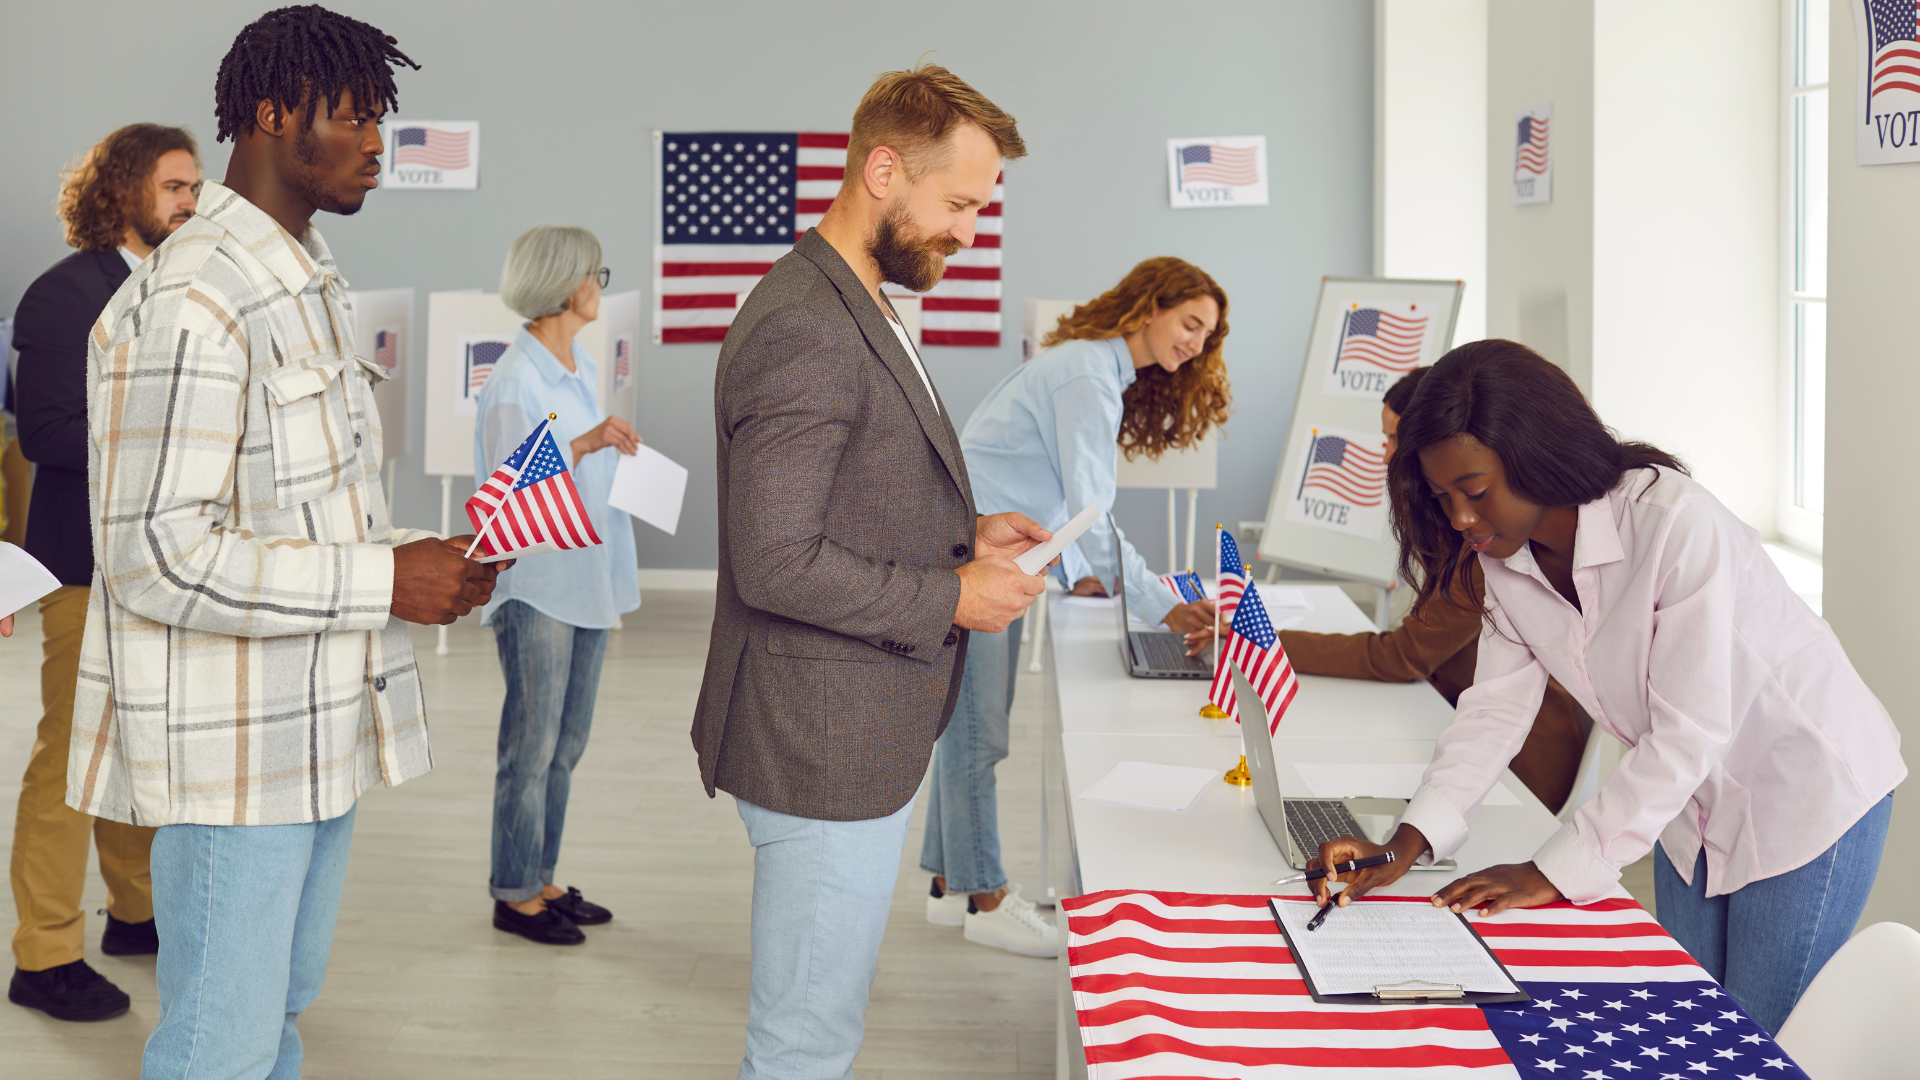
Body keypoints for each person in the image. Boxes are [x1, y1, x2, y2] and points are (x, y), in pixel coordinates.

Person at [66, 8, 504, 1075]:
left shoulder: (304, 278)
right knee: (220, 1038)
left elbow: (300, 509)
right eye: (352, 117)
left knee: (276, 1021)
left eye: (378, 120)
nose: (376, 145)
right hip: (232, 761)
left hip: (315, 737)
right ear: (270, 114)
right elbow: (158, 553)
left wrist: (411, 552)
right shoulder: (193, 298)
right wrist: (383, 578)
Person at [1310, 340, 1905, 1034]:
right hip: (1689, 803)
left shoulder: (1674, 523)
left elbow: (1689, 730)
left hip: (1805, 792)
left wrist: (1549, 869)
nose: (1461, 519)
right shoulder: (1502, 558)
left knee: (1753, 1040)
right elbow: (1493, 711)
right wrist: (1407, 842)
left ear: (1534, 452)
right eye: (1443, 499)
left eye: (1473, 492)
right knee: (1689, 1025)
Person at [691, 63, 1044, 1078]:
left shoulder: (863, 299)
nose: (969, 230)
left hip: (854, 724)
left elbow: (852, 496)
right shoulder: (808, 324)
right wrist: (955, 596)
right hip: (819, 742)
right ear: (883, 170)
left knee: (823, 1023)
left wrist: (964, 536)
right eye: (959, 203)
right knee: (806, 1040)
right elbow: (776, 560)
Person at [924, 257, 1230, 957]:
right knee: (977, 736)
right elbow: (1092, 511)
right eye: (1190, 323)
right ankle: (986, 899)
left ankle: (949, 885)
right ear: (1150, 306)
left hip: (986, 549)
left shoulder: (1087, 367)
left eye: (1206, 336)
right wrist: (1163, 603)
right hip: (977, 559)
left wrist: (1082, 573)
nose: (1195, 343)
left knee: (965, 727)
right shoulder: (1089, 378)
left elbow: (1049, 495)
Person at [7, 122, 201, 1023]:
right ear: (123, 190)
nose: (191, 202)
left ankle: (137, 911)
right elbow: (44, 435)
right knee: (71, 759)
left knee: (141, 744)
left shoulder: (188, 288)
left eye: (195, 188)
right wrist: (178, 440)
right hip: (85, 566)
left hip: (168, 565)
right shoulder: (60, 296)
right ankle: (44, 957)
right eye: (174, 186)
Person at [1277, 366, 1591, 812]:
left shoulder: (1488, 539)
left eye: (1394, 439)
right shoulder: (1451, 522)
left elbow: (1402, 656)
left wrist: (1268, 643)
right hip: (1455, 724)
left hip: (1521, 765)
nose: (1385, 454)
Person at [474, 226, 639, 945]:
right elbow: (510, 490)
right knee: (530, 748)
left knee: (565, 746)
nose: (600, 283)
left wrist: (607, 447)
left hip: (586, 580)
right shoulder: (516, 379)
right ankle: (513, 893)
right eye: (595, 272)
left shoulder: (577, 367)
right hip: (538, 586)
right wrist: (585, 442)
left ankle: (539, 876)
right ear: (567, 285)